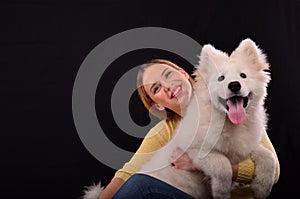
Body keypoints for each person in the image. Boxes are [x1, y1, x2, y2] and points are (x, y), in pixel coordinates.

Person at [99, 59, 280, 199]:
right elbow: (127, 173)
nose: (168, 86)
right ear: (158, 105)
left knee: (141, 186)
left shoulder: (226, 102)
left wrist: (198, 164)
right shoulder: (164, 131)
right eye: (157, 88)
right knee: (138, 183)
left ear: (184, 73)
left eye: (168, 75)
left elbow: (274, 172)